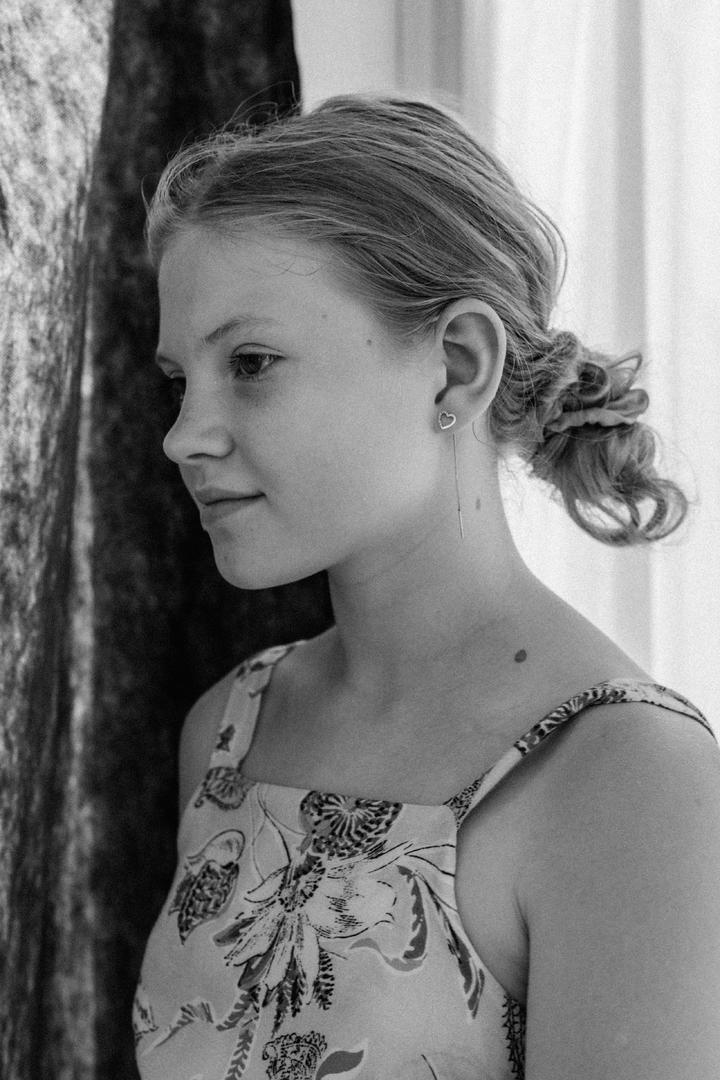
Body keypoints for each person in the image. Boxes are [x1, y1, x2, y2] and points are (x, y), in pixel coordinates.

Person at [131, 95, 720, 1080]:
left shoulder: (632, 784)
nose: (182, 435)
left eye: (251, 363)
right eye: (178, 380)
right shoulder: (229, 729)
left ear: (456, 366)